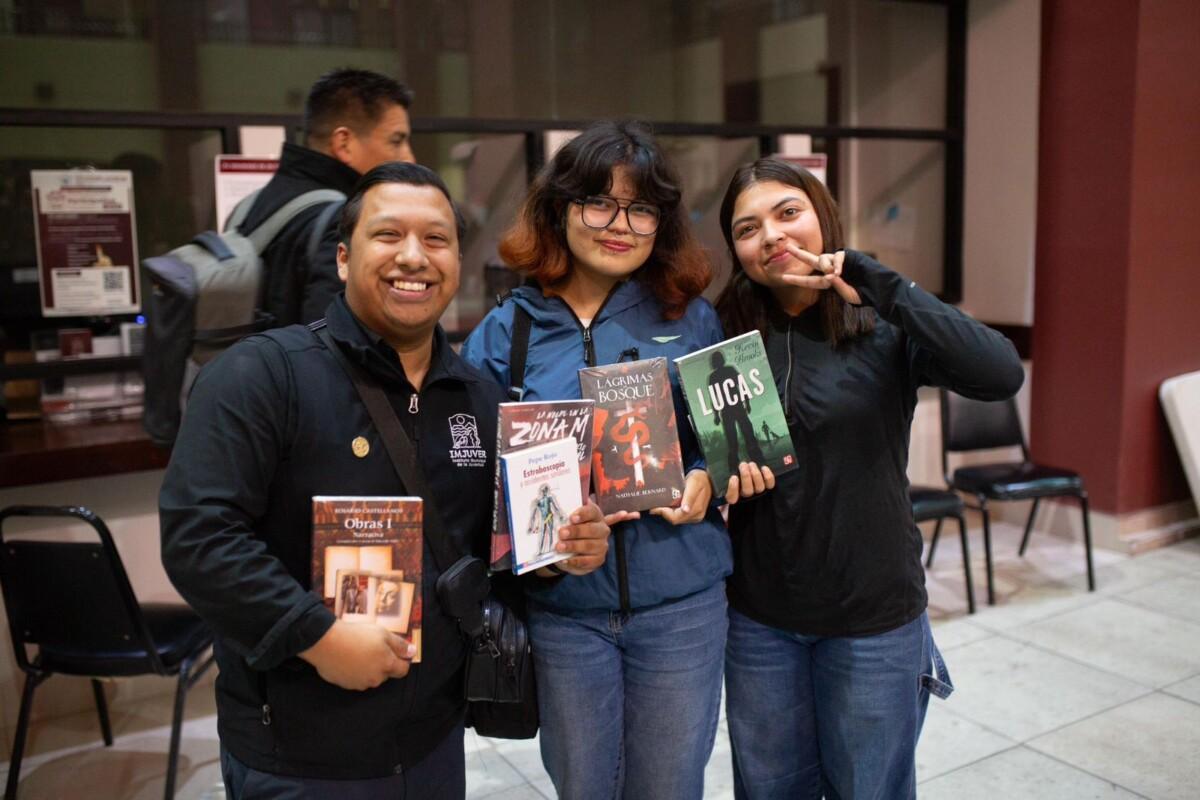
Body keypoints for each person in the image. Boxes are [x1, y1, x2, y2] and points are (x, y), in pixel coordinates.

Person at [160, 161, 612, 799]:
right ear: (343, 259)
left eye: (435, 239)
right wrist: (314, 635)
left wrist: (558, 553)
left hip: (434, 743)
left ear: (456, 261)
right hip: (299, 755)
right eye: (387, 235)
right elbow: (199, 537)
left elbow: (489, 553)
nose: (413, 257)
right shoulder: (263, 376)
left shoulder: (478, 399)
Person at [715, 157, 1025, 799]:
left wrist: (879, 284)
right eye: (747, 228)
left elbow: (999, 375)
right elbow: (694, 446)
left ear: (823, 218)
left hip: (872, 618)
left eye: (787, 213)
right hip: (759, 619)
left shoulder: (882, 324)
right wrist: (707, 475)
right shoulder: (722, 334)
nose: (770, 235)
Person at [461, 120, 730, 800]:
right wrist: (540, 548)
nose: (621, 223)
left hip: (682, 607)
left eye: (641, 207)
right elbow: (474, 486)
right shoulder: (505, 333)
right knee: (584, 788)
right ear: (560, 208)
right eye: (599, 202)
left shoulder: (690, 316)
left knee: (670, 787)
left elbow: (726, 444)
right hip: (565, 614)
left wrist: (705, 480)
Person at [237, 67, 416, 328]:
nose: (408, 157)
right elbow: (331, 349)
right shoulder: (339, 220)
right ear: (343, 143)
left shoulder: (251, 205)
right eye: (396, 141)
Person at [707, 349, 766, 475]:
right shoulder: (728, 370)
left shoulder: (713, 377)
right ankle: (757, 461)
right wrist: (747, 403)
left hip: (729, 410)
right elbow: (741, 386)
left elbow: (715, 397)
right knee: (746, 435)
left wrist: (717, 415)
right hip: (735, 408)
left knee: (735, 439)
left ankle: (736, 468)